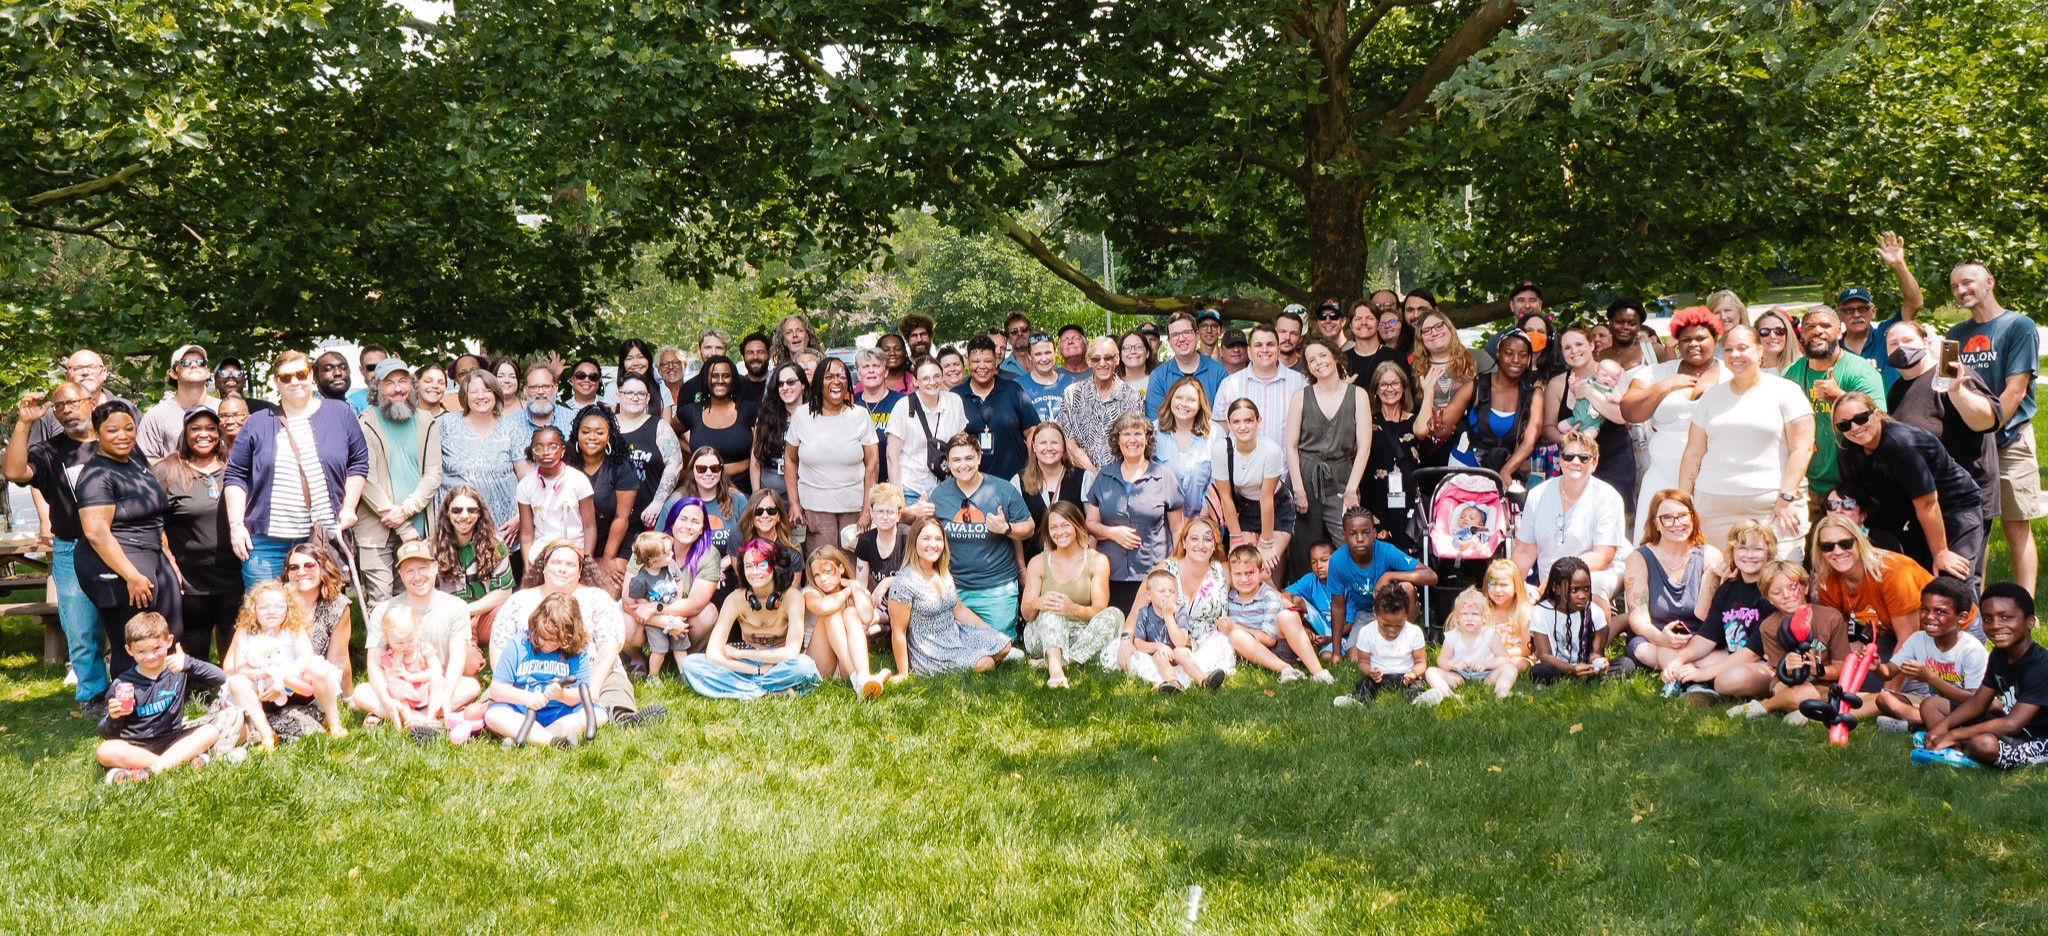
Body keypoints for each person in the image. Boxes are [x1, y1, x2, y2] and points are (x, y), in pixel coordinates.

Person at [224, 350, 369, 587]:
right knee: (267, 613)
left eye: (301, 374)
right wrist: (236, 526)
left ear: (311, 376)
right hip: (267, 542)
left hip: (322, 535)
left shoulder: (339, 413)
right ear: (276, 382)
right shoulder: (258, 422)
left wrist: (349, 507)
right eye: (286, 377)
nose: (295, 382)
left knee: (321, 615)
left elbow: (358, 461)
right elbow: (236, 476)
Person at [8, 384, 108, 712]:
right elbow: (13, 471)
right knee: (81, 628)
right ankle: (92, 697)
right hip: (71, 548)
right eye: (60, 405)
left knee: (125, 621)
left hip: (119, 544)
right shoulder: (51, 450)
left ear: (91, 402)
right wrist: (24, 423)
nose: (67, 410)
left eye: (73, 402)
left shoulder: (116, 441)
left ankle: (130, 692)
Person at [1944, 261, 2040, 596]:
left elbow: (2015, 389)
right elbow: (1945, 384)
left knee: (2015, 525)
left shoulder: (2019, 325)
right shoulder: (1955, 335)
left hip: (2010, 438)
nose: (1961, 291)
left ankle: (2025, 603)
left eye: (1967, 283)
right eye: (1955, 286)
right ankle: (1972, 601)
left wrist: (1991, 426)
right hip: (1971, 444)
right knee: (1974, 523)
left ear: (1989, 281)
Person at [491, 540, 660, 727]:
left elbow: (609, 647)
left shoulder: (598, 598)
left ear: (580, 571)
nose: (562, 569)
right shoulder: (519, 600)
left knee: (613, 683)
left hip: (588, 673)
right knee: (495, 698)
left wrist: (592, 689)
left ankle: (620, 715)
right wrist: (512, 685)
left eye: (570, 564)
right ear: (543, 567)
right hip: (526, 677)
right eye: (556, 563)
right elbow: (499, 646)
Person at [1676, 324, 1814, 552]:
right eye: (1729, 350)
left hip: (1773, 506)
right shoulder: (1711, 397)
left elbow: (1802, 449)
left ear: (1759, 351)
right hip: (1714, 506)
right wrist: (1682, 501)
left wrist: (1786, 497)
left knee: (1781, 577)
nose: (1735, 355)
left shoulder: (1787, 391)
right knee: (1720, 577)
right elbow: (1693, 452)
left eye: (1743, 348)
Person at [75, 401, 184, 677]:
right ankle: (129, 704)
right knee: (136, 635)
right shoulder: (96, 474)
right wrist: (131, 576)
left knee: (170, 627)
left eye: (128, 428)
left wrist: (168, 556)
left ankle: (164, 693)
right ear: (97, 432)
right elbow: (96, 532)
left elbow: (154, 512)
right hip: (118, 560)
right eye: (112, 430)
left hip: (152, 553)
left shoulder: (136, 461)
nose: (122, 435)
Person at [1831, 392, 1983, 584]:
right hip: (1905, 507)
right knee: (1901, 571)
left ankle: (1967, 608)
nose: (1854, 428)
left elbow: (1928, 503)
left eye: (1861, 419)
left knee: (1950, 579)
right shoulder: (1848, 449)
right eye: (1844, 425)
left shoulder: (1901, 445)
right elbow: (1855, 497)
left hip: (1952, 505)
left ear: (1877, 414)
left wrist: (1941, 552)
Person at [357, 541, 482, 736]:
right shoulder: (384, 610)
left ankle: (414, 717)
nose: (417, 577)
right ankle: (417, 717)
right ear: (400, 575)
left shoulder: (456, 607)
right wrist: (387, 699)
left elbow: (458, 658)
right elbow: (373, 664)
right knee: (361, 693)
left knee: (471, 686)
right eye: (409, 571)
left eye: (423, 569)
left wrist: (446, 695)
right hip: (398, 689)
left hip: (434, 686)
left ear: (435, 568)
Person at [1917, 584, 2048, 768]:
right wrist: (1944, 726)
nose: (1995, 625)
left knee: (1983, 744)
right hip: (2008, 727)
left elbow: (2012, 725)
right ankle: (1951, 748)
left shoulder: (2040, 667)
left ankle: (1957, 747)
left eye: (2006, 617)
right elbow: (1979, 702)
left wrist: (1953, 733)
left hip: (2038, 740)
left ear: (2030, 622)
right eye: (1987, 619)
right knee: (1931, 704)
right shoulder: (1999, 654)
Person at [95, 613, 232, 782]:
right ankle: (178, 765)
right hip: (136, 746)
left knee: (210, 731)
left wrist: (189, 663)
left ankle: (148, 772)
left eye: (156, 648)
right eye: (141, 651)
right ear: (129, 651)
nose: (151, 656)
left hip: (173, 740)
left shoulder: (177, 669)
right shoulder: (122, 683)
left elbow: (221, 677)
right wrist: (113, 718)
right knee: (105, 750)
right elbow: (106, 733)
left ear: (169, 641)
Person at [150, 406, 241, 662]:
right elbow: (155, 522)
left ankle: (230, 689)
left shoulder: (234, 465)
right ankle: (196, 693)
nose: (204, 434)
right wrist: (168, 561)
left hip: (233, 573)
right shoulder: (168, 471)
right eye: (196, 428)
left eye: (211, 428)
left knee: (234, 635)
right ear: (185, 433)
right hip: (190, 577)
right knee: (194, 639)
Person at [1780, 307, 1888, 517]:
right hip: (1807, 487)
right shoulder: (1790, 373)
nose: (1817, 331)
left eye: (1825, 326)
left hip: (1853, 488)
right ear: (1802, 334)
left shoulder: (1860, 371)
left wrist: (1840, 397)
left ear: (1839, 332)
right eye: (1810, 327)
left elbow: (1881, 423)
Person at [353, 358, 443, 606]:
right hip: (376, 529)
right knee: (381, 601)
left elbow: (433, 473)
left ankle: (415, 647)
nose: (397, 389)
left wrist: (405, 511)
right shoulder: (366, 422)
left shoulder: (426, 421)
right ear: (377, 389)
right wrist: (402, 526)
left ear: (412, 386)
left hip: (418, 525)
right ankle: (382, 647)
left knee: (416, 595)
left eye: (403, 381)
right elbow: (366, 479)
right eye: (389, 383)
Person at [928, 432, 1034, 640]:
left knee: (1000, 642)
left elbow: (1029, 527)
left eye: (968, 458)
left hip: (995, 587)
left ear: (979, 458)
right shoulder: (940, 494)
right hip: (955, 587)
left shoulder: (1002, 489)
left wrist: (1007, 528)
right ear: (948, 463)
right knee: (955, 641)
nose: (963, 465)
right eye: (956, 460)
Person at [1885, 322, 1999, 515]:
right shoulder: (1897, 389)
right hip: (1925, 497)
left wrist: (1957, 392)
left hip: (1963, 498)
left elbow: (1986, 422)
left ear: (1925, 342)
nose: (1901, 347)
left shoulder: (1950, 374)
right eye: (1894, 343)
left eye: (1908, 340)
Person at [681, 539, 818, 698]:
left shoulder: (793, 597)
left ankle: (742, 689)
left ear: (775, 566)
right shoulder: (735, 599)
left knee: (805, 666)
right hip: (745, 666)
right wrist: (756, 670)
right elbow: (712, 653)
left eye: (762, 565)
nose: (755, 572)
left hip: (777, 663)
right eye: (749, 566)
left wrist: (741, 655)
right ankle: (765, 691)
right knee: (690, 664)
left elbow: (791, 652)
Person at [222, 581, 347, 746]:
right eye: (264, 607)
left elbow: (305, 656)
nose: (271, 612)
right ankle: (266, 733)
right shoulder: (247, 632)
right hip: (262, 688)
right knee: (237, 682)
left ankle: (333, 722)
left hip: (294, 685)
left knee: (319, 669)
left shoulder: (293, 628)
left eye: (278, 606)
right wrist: (261, 675)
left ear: (287, 608)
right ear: (254, 609)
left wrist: (280, 678)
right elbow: (240, 666)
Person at [1726, 561, 1853, 723]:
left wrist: (1818, 669)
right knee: (1806, 694)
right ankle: (1767, 705)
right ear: (1768, 598)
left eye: (1793, 587)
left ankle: (1786, 710)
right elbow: (1780, 673)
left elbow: (1841, 667)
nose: (1787, 595)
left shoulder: (1831, 618)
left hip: (1824, 684)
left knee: (1815, 696)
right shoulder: (1769, 627)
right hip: (1786, 685)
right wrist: (1789, 667)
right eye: (1777, 592)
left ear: (1805, 587)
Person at [888, 517, 1015, 677]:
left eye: (938, 539)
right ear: (914, 542)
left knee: (1004, 644)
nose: (933, 545)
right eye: (926, 539)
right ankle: (975, 659)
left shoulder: (942, 571)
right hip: (930, 650)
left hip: (954, 634)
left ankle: (975, 654)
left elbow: (959, 610)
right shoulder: (905, 582)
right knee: (986, 663)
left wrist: (990, 633)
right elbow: (899, 630)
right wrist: (902, 673)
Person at [1085, 413, 1186, 613]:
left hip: (1153, 574)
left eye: (1138, 434)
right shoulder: (1104, 477)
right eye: (1126, 434)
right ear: (1117, 440)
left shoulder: (1164, 476)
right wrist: (1112, 533)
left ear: (1147, 438)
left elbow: (1178, 530)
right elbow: (1091, 524)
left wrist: (1175, 568)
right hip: (1111, 574)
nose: (1132, 440)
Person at [1513, 430, 1628, 600]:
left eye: (1584, 457)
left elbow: (1603, 556)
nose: (1575, 461)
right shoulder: (1537, 494)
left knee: (1590, 585)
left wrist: (1560, 574)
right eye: (1568, 456)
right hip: (1548, 582)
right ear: (1560, 460)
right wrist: (1510, 585)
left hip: (1595, 572)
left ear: (1594, 464)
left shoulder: (1608, 497)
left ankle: (1604, 625)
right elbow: (1524, 551)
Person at [1674, 521, 1779, 702]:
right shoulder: (1728, 589)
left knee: (1732, 678)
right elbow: (1707, 636)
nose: (1749, 555)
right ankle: (1703, 691)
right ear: (1732, 552)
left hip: (1766, 664)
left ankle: (1709, 686)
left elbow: (1752, 653)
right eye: (1742, 548)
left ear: (1769, 553)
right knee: (1692, 660)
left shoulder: (1772, 591)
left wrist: (1702, 674)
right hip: (1733, 656)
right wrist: (1679, 660)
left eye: (1758, 549)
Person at [1021, 502, 1123, 688]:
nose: (1059, 532)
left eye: (1065, 525)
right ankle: (1055, 671)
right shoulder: (1038, 562)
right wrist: (1038, 602)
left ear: (1077, 525)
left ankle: (1066, 660)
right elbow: (1027, 615)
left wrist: (1072, 608)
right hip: (1043, 635)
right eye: (1053, 528)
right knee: (1052, 610)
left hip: (1080, 633)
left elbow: (1099, 610)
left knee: (1115, 615)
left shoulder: (1097, 561)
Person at [785, 356, 879, 557]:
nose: (836, 382)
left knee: (853, 568)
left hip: (853, 507)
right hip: (815, 508)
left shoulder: (860, 416)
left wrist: (866, 509)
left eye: (842, 377)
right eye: (829, 377)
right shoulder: (802, 416)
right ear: (819, 382)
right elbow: (790, 460)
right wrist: (794, 503)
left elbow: (872, 463)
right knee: (823, 567)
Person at [486, 592, 604, 745]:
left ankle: (537, 737)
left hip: (560, 712)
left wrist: (561, 695)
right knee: (493, 714)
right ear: (535, 625)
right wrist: (526, 698)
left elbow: (582, 694)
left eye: (556, 641)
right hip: (522, 710)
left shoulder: (576, 652)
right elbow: (497, 689)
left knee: (599, 714)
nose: (548, 644)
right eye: (544, 637)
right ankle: (552, 741)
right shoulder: (518, 644)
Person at [1871, 577, 1988, 732]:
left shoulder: (1971, 649)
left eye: (1940, 611)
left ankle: (1919, 724)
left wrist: (1930, 677)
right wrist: (1877, 666)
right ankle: (1925, 722)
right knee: (1884, 698)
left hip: (1965, 707)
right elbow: (1889, 672)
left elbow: (1975, 700)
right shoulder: (1918, 639)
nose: (1929, 616)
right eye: (1925, 609)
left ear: (1962, 617)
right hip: (1931, 703)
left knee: (1930, 704)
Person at [1811, 515, 1938, 657]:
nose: (1837, 552)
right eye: (1827, 547)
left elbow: (1908, 642)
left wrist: (1887, 678)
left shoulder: (1894, 574)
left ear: (1859, 541)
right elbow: (1834, 634)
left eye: (1845, 543)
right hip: (1893, 633)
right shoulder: (1828, 580)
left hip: (1948, 631)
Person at [1621, 490, 1718, 674]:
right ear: (1655, 523)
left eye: (1683, 516)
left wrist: (1694, 646)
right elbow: (1637, 614)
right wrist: (1661, 638)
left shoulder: (1709, 555)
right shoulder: (1639, 558)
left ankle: (1685, 671)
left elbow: (1709, 616)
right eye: (1667, 518)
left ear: (1693, 518)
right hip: (1653, 639)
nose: (1677, 524)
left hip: (1698, 641)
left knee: (1713, 654)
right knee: (1647, 651)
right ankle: (1695, 675)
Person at [1543, 327, 1636, 506]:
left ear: (1592, 345)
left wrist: (1588, 393)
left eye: (1579, 344)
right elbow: (1548, 427)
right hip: (1575, 463)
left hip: (1615, 460)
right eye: (1567, 347)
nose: (1574, 351)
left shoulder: (1614, 373)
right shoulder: (1557, 383)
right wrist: (1565, 439)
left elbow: (1621, 416)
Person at [1322, 508, 1437, 650]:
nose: (1360, 539)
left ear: (1374, 534)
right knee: (1354, 656)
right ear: (1343, 535)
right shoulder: (1337, 561)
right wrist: (1336, 652)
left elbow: (1431, 576)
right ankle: (1381, 647)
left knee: (1407, 587)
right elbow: (1337, 607)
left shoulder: (1386, 550)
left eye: (1366, 532)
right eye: (1353, 534)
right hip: (1364, 613)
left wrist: (1389, 576)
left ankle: (1405, 639)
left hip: (1392, 608)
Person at [1216, 544, 1331, 684]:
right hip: (1252, 651)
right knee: (1236, 636)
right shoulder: (1229, 597)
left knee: (1286, 616)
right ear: (1231, 575)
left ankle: (1319, 673)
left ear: (1259, 573)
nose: (1244, 579)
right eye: (1238, 574)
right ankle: (1286, 669)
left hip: (1279, 648)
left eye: (1249, 573)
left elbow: (1269, 639)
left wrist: (1234, 627)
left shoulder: (1268, 596)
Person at [1210, 399, 1292, 578]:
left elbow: (1267, 498)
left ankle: (1281, 605)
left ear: (1258, 421)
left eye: (1248, 421)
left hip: (1276, 508)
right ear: (1229, 424)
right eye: (1236, 422)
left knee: (1262, 572)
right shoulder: (1221, 450)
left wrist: (1267, 541)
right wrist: (1236, 538)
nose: (1242, 427)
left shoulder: (1270, 450)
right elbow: (1226, 498)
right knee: (1244, 568)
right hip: (1245, 509)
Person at [1837, 232, 1925, 390]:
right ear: (1840, 315)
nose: (1857, 315)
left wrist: (1899, 265)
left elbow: (1914, 303)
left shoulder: (1888, 334)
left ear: (1873, 311)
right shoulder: (1835, 349)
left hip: (1893, 412)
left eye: (1863, 309)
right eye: (1849, 310)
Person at [432, 485, 516, 647]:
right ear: (447, 513)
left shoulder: (495, 545)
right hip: (448, 620)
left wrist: (467, 610)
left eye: (472, 510)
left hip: (484, 615)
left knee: (512, 616)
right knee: (468, 664)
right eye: (457, 510)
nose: (464, 516)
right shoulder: (431, 548)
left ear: (479, 514)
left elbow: (504, 592)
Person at [799, 546, 888, 698]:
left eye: (827, 571)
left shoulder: (855, 589)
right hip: (819, 666)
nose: (823, 579)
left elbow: (867, 617)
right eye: (817, 575)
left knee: (851, 612)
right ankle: (860, 682)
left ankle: (863, 677)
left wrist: (856, 588)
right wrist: (848, 590)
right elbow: (825, 606)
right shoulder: (811, 592)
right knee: (830, 614)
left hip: (845, 666)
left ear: (840, 568)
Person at [1455, 329, 1544, 480]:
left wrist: (1507, 471)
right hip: (1466, 466)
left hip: (1508, 468)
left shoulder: (1533, 395)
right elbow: (1442, 425)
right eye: (1509, 353)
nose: (1516, 359)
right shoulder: (1475, 386)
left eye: (1523, 355)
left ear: (1529, 359)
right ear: (1498, 354)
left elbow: (1530, 440)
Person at [568, 407, 638, 593]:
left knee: (610, 589)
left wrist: (607, 559)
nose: (592, 437)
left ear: (609, 437)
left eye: (599, 432)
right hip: (575, 540)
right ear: (577, 434)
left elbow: (621, 518)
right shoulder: (565, 462)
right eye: (585, 432)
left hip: (614, 539)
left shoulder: (621, 466)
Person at [638, 501, 724, 652]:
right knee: (627, 618)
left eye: (695, 522)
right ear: (672, 522)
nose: (688, 526)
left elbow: (695, 603)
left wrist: (655, 608)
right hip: (648, 619)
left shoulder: (709, 554)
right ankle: (638, 660)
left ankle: (685, 656)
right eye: (683, 519)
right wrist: (664, 621)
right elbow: (629, 601)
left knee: (708, 613)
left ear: (702, 529)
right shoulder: (648, 545)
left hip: (678, 618)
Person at [953, 337, 1040, 481]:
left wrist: (1034, 470)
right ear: (968, 362)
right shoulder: (955, 396)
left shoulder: (1013, 390)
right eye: (976, 361)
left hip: (1016, 481)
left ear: (996, 362)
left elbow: (1032, 431)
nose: (982, 366)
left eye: (987, 361)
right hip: (971, 483)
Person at [888, 357, 968, 511]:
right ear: (916, 381)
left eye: (936, 376)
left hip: (946, 486)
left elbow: (961, 445)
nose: (932, 382)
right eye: (925, 378)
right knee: (913, 534)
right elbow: (892, 457)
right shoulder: (903, 407)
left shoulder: (954, 402)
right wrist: (899, 501)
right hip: (911, 487)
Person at [350, 603, 446, 732]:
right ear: (388, 639)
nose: (405, 646)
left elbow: (437, 671)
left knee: (440, 681)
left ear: (418, 632)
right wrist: (397, 661)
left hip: (424, 692)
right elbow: (392, 681)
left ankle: (431, 717)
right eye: (399, 642)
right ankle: (409, 719)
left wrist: (412, 677)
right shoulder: (390, 656)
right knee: (364, 692)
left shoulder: (423, 649)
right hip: (404, 698)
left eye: (410, 640)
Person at [1057, 336, 1145, 472]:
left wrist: (1108, 480)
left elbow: (1135, 442)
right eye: (1096, 359)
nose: (1102, 363)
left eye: (1108, 358)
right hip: (1080, 479)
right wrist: (1094, 475)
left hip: (1119, 479)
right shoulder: (1072, 395)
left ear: (1117, 359)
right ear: (1089, 361)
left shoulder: (1132, 397)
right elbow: (1069, 443)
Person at [1361, 360, 1422, 554]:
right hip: (1374, 498)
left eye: (1395, 383)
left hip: (1407, 498)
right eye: (1383, 384)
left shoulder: (1415, 421)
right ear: (1375, 390)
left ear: (1403, 387)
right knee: (1377, 551)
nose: (1389, 389)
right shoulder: (1366, 421)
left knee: (1407, 550)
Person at [1213, 324, 1307, 449]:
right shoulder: (1229, 384)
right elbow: (1220, 432)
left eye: (1270, 344)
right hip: (1241, 466)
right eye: (1258, 345)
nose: (1264, 350)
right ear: (1249, 351)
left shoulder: (1301, 382)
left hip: (1285, 466)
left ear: (1278, 349)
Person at [1333, 581, 1428, 705]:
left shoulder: (1414, 632)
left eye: (1399, 625)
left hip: (1405, 676)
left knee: (1415, 685)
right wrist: (1370, 672)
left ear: (1406, 615)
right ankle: (1357, 700)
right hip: (1378, 676)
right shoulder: (1367, 632)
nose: (1392, 630)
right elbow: (1363, 662)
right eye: (1386, 624)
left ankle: (1420, 698)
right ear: (1375, 613)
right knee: (1365, 684)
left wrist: (1414, 673)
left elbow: (1421, 662)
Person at [1418, 589, 1516, 704]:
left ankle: (1501, 691)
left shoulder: (1490, 635)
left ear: (1484, 617)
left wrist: (1486, 664)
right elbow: (1441, 661)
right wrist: (1452, 664)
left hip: (1487, 676)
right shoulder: (1452, 637)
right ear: (1458, 617)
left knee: (1511, 668)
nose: (1469, 618)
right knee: (1431, 672)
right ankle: (1447, 693)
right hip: (1459, 676)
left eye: (1475, 614)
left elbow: (1505, 659)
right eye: (1465, 614)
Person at [612, 373, 682, 530]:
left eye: (641, 394)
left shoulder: (659, 426)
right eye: (629, 393)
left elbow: (675, 464)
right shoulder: (605, 426)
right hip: (610, 514)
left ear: (648, 398)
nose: (635, 398)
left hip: (649, 516)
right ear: (618, 396)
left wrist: (658, 503)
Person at [1528, 557, 1615, 683]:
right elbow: (1544, 655)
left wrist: (1598, 662)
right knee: (1541, 671)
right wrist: (1571, 669)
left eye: (1586, 589)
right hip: (1555, 667)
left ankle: (1590, 676)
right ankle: (1571, 677)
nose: (1582, 595)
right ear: (1556, 588)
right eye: (1574, 590)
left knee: (1625, 664)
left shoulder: (1595, 612)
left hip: (1585, 667)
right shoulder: (1540, 612)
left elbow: (1596, 652)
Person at [1409, 310, 1479, 468]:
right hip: (1430, 450)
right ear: (1421, 339)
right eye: (1426, 331)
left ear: (1449, 327)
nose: (1434, 333)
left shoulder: (1476, 360)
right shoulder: (1412, 370)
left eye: (1438, 326)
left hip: (1467, 446)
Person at [515, 425, 596, 558]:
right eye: (538, 448)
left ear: (562, 450)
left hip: (575, 554)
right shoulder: (525, 486)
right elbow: (526, 534)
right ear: (533, 453)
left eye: (552, 447)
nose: (546, 452)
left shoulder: (579, 480)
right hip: (541, 556)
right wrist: (528, 569)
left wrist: (587, 560)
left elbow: (589, 526)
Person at [282, 542, 354, 684]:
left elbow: (339, 661)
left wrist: (347, 701)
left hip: (314, 683)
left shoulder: (337, 605)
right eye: (294, 567)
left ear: (323, 569)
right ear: (288, 573)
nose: (301, 572)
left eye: (309, 566)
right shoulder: (273, 600)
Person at [1013, 423, 1084, 562]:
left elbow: (1090, 528)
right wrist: (1021, 569)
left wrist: (1088, 561)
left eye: (1055, 443)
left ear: (1063, 446)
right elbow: (1016, 533)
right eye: (1043, 443)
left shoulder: (1083, 478)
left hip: (1075, 567)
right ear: (1034, 447)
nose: (1049, 448)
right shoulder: (1018, 482)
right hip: (1035, 567)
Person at [29, 349, 127, 447]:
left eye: (92, 367)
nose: (85, 372)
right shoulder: (51, 415)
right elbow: (32, 459)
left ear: (104, 373)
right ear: (67, 376)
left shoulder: (125, 408)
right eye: (78, 368)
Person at [626, 532, 691, 680]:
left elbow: (679, 580)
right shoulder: (640, 580)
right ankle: (653, 675)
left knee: (681, 646)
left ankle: (685, 675)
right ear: (654, 560)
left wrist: (678, 603)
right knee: (659, 650)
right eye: (668, 553)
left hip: (675, 614)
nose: (672, 554)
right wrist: (658, 614)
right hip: (656, 621)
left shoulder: (670, 565)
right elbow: (638, 602)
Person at [137, 344, 217, 461]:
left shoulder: (224, 410)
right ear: (173, 373)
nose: (194, 365)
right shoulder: (156, 416)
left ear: (208, 372)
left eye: (200, 362)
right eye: (185, 363)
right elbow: (144, 461)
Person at [1144, 313, 1228, 419]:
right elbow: (1155, 421)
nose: (1181, 338)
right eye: (1175, 335)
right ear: (1169, 342)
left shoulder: (1218, 372)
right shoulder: (1158, 376)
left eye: (1186, 332)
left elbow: (1224, 417)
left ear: (1197, 335)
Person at [1151, 378, 1214, 520]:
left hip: (1203, 520)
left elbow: (1216, 482)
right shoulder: (1154, 431)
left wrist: (1199, 521)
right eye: (1178, 397)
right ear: (1170, 400)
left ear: (1200, 404)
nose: (1183, 404)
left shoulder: (1214, 434)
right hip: (1162, 521)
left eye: (1191, 400)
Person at [750, 362, 807, 496]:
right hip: (769, 496)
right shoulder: (766, 417)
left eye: (791, 382)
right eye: (780, 384)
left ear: (803, 385)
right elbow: (755, 458)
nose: (785, 387)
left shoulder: (813, 417)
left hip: (803, 496)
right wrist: (757, 496)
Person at [681, 445, 748, 552]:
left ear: (721, 470)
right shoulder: (678, 500)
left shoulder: (737, 499)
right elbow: (663, 539)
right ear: (692, 470)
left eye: (714, 468)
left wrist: (728, 561)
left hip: (730, 566)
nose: (708, 473)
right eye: (701, 469)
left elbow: (751, 539)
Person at [854, 484, 908, 607]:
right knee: (861, 621)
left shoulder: (908, 537)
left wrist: (887, 582)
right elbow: (861, 584)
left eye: (890, 512)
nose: (884, 517)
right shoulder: (865, 541)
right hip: (882, 603)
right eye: (880, 511)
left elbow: (918, 577)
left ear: (899, 514)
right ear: (871, 513)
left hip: (907, 601)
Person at [1480, 558, 1535, 676]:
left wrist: (1502, 655)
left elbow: (1527, 648)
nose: (1497, 590)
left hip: (1516, 655)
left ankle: (1497, 672)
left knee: (1517, 664)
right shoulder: (1484, 610)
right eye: (1493, 584)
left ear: (1516, 587)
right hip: (1488, 656)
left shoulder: (1523, 611)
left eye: (1504, 585)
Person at [854, 349, 904, 472]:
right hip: (857, 480)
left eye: (876, 366)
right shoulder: (850, 403)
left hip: (893, 477)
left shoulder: (902, 402)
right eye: (865, 366)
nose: (871, 370)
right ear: (859, 374)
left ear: (886, 372)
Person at [1283, 541, 1337, 641]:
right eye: (1313, 562)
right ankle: (1308, 635)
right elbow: (1285, 594)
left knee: (1326, 656)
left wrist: (1331, 638)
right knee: (1296, 600)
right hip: (1321, 625)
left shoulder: (1344, 580)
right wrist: (1301, 624)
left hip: (1341, 630)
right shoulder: (1311, 579)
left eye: (1324, 560)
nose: (1319, 566)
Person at [1014, 333, 1074, 423]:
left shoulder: (1070, 383)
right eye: (1038, 354)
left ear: (1055, 352)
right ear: (1030, 356)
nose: (1044, 359)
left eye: (1048, 353)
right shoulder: (1017, 386)